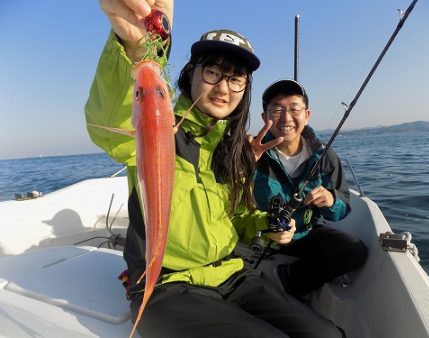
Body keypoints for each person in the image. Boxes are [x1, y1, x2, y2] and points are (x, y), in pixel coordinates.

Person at [85, 1, 345, 337]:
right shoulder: (160, 125)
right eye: (212, 72)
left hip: (232, 273)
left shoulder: (233, 148)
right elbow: (109, 124)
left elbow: (234, 219)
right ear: (191, 72)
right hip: (167, 284)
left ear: (245, 90)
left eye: (236, 79)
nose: (223, 87)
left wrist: (269, 223)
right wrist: (137, 52)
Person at [251, 79, 368, 299]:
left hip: (304, 234)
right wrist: (243, 163)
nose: (286, 118)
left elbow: (343, 208)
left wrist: (331, 201)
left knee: (354, 251)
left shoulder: (326, 157)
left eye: (294, 109)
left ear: (307, 115)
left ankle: (288, 279)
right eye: (276, 109)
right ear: (264, 117)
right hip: (258, 235)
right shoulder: (250, 152)